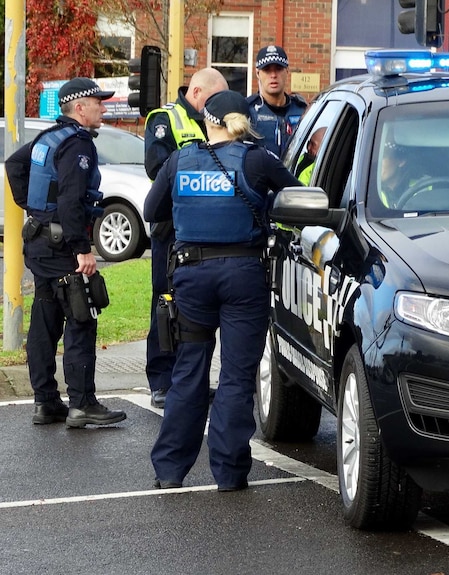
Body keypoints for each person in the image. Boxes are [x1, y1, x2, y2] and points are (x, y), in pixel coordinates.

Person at [145, 90, 302, 491]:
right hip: (243, 277)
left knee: (188, 371)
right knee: (235, 375)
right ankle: (229, 474)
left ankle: (169, 470)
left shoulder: (179, 160)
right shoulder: (257, 159)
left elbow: (151, 211)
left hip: (191, 276)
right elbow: (296, 197)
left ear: (208, 120)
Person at [13, 78, 127, 427]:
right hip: (63, 246)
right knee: (81, 316)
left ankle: (46, 402)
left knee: (45, 319)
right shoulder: (77, 144)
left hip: (39, 242)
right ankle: (82, 404)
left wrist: (33, 209)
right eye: (98, 102)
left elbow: (14, 166)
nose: (103, 108)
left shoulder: (48, 138)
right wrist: (83, 250)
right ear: (80, 108)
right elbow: (71, 199)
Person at [143, 67, 228, 409]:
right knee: (166, 305)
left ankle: (191, 382)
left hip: (204, 231)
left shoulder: (215, 118)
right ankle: (162, 382)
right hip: (171, 230)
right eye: (214, 98)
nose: (219, 106)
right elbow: (157, 167)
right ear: (196, 94)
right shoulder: (165, 119)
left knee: (197, 312)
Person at [246, 45, 308, 160]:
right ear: (258, 73)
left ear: (287, 71)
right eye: (267, 70)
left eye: (278, 69)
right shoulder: (247, 112)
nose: (273, 75)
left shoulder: (302, 110)